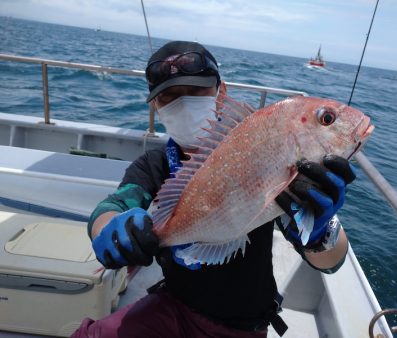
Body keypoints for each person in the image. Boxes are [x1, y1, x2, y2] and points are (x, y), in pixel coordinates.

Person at [71, 41, 356, 338]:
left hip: (243, 328)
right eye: (169, 96)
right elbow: (112, 207)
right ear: (156, 106)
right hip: (173, 306)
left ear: (222, 95)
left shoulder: (265, 155)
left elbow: (330, 264)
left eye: (196, 92)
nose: (183, 103)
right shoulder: (154, 165)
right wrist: (110, 230)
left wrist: (320, 231)